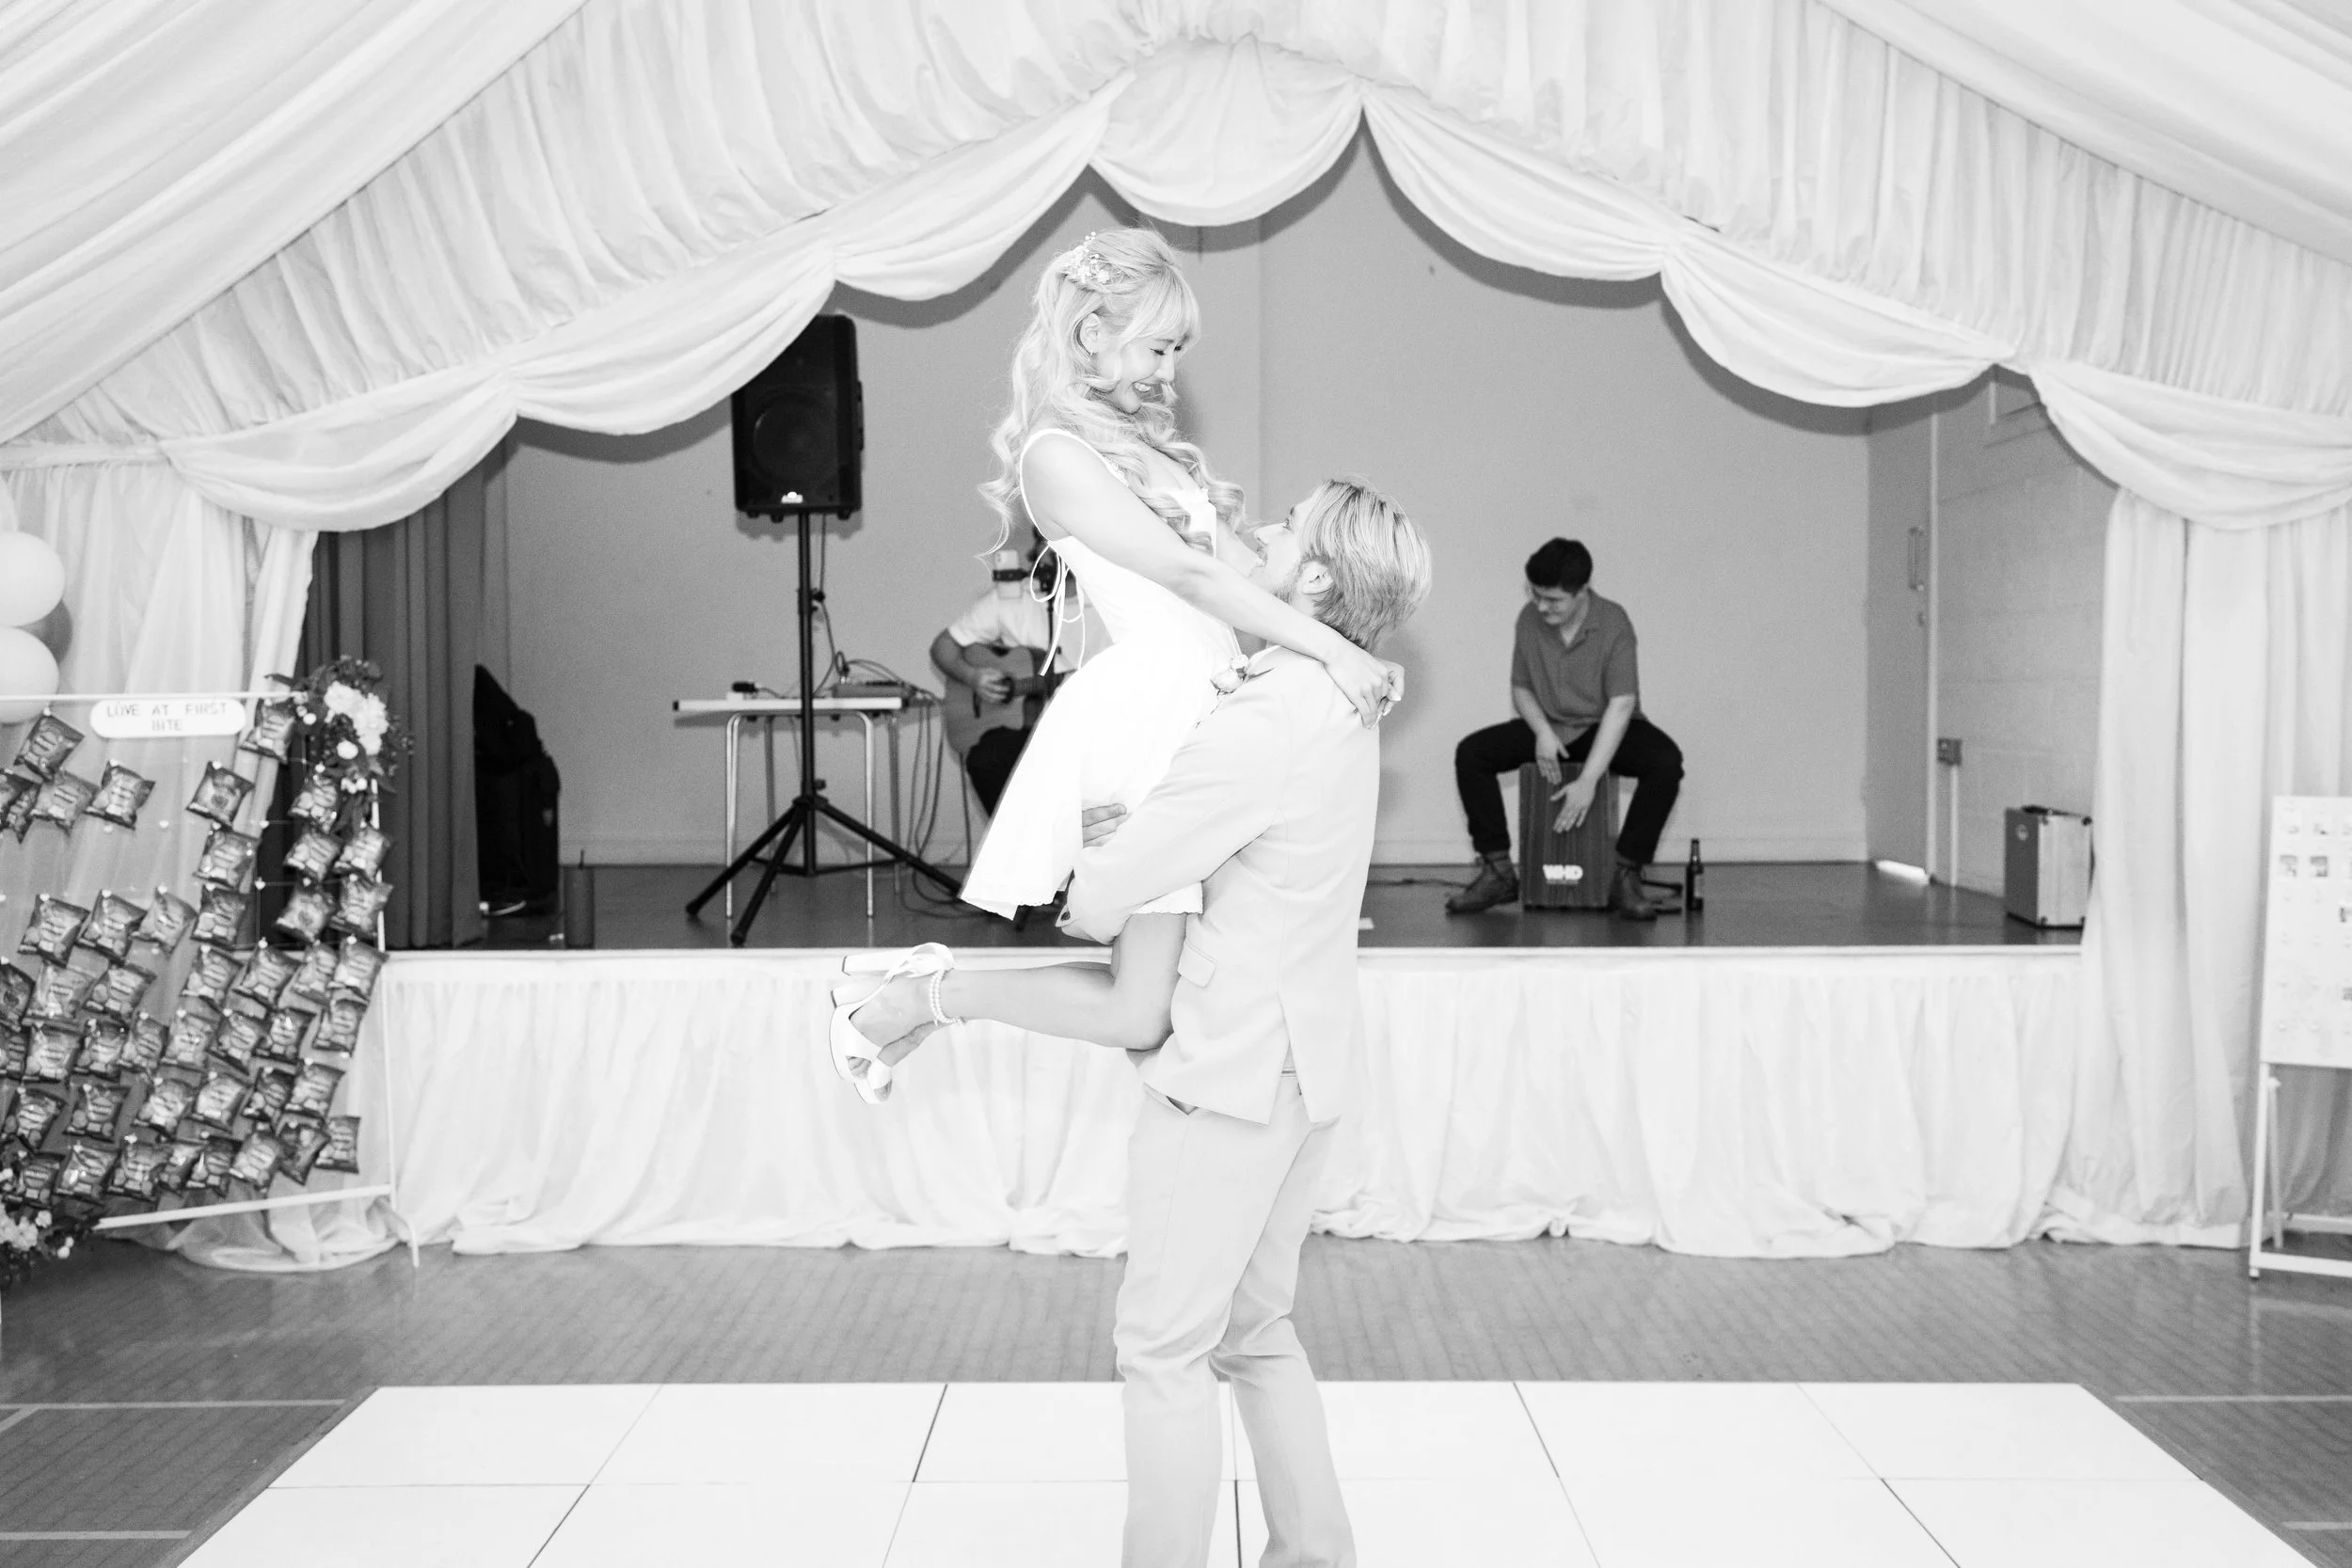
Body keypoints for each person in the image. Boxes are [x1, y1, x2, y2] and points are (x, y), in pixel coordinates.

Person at [844, 478, 1433, 1568]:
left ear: (1312, 579)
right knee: (1256, 1333)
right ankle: (1315, 1553)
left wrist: (1094, 852)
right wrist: (1145, 834)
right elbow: (1230, 841)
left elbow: (1107, 901)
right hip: (1303, 1069)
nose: (1254, 530)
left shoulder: (1266, 709)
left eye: (1281, 529)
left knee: (1162, 1349)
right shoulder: (1334, 700)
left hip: (1228, 1075)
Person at [822, 226, 1398, 1106]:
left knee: (1148, 1005)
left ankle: (918, 999)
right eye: (1160, 347)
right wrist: (1332, 649)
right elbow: (1191, 573)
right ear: (1093, 333)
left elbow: (1245, 570)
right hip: (1149, 719)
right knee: (1142, 1009)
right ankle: (918, 997)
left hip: (1202, 702)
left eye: (1175, 351)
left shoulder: (1148, 452)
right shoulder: (1056, 456)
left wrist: (1349, 637)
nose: (1169, 373)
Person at [1446, 537, 1683, 919]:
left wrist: (1588, 782)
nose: (1541, 606)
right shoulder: (1528, 619)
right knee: (1472, 753)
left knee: (1666, 762)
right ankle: (1498, 872)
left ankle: (1625, 875)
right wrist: (1541, 731)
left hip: (1603, 727)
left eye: (1552, 600)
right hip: (1552, 727)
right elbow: (1521, 687)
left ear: (1582, 592)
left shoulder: (1613, 622)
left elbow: (1621, 704)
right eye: (1536, 595)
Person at [928, 534, 1074, 816]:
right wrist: (973, 678)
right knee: (986, 760)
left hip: (1082, 729)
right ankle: (1015, 844)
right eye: (1045, 544)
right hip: (1024, 730)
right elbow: (943, 647)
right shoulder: (1013, 597)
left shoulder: (1110, 603)